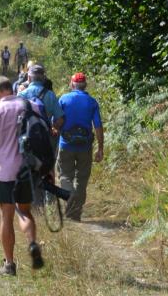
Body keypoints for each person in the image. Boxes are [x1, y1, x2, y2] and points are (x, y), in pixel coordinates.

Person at [0, 76, 44, 276]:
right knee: (24, 212)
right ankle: (31, 243)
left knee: (6, 216)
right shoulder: (31, 106)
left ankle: (9, 264)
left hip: (5, 171)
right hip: (28, 169)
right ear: (10, 89)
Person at [57, 72, 104, 221]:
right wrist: (100, 148)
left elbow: (56, 121)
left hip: (66, 144)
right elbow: (98, 126)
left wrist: (55, 130)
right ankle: (75, 211)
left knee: (65, 176)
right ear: (85, 85)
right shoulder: (91, 102)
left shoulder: (64, 99)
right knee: (82, 179)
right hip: (85, 147)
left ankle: (69, 203)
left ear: (72, 84)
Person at [18, 64, 64, 206]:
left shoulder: (22, 94)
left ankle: (27, 197)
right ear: (43, 77)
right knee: (48, 166)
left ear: (29, 77)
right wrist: (53, 128)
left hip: (26, 138)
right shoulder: (50, 95)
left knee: (25, 165)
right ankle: (49, 199)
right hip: (46, 137)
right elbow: (60, 118)